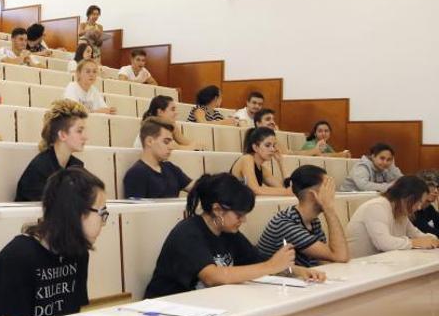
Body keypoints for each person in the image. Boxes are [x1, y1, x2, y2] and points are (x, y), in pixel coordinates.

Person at [144, 173, 325, 298]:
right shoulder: (188, 233)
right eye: (239, 215)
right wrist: (271, 265)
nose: (243, 220)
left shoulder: (228, 231)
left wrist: (297, 271)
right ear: (217, 210)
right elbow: (213, 277)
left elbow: (257, 262)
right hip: (168, 308)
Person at [0, 167, 106, 316]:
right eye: (102, 213)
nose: (104, 222)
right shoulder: (18, 257)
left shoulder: (78, 252)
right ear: (76, 212)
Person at [257, 166, 350, 267]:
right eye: (327, 188)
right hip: (279, 280)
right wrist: (329, 209)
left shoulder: (313, 221)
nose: (332, 194)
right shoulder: (286, 223)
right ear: (313, 195)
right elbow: (340, 256)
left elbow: (324, 259)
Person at [346, 176, 439, 257]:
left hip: (379, 264)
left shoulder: (401, 211)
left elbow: (416, 234)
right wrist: (414, 242)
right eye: (418, 202)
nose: (419, 208)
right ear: (407, 197)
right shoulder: (376, 207)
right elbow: (384, 243)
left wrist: (432, 239)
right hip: (359, 267)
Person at [15, 100, 88, 202]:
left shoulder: (77, 166)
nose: (86, 137)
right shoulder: (39, 169)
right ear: (62, 135)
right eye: (79, 131)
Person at [123, 118, 193, 199]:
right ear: (149, 141)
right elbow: (136, 210)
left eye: (171, 142)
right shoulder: (136, 174)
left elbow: (199, 188)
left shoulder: (170, 167)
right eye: (166, 142)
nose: (171, 147)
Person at [230, 127, 292, 196]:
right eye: (267, 145)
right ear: (255, 147)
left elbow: (283, 188)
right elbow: (255, 189)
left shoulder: (262, 169)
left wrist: (281, 162)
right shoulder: (247, 159)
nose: (272, 149)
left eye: (274, 145)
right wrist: (287, 191)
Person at [132, 96, 203, 150]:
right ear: (160, 112)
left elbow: (186, 142)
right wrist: (194, 147)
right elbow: (175, 147)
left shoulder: (171, 125)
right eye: (172, 109)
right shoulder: (153, 127)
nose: (176, 113)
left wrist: (197, 146)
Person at [412, 170, 439, 237]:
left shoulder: (429, 208)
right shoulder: (414, 209)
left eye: (437, 187)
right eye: (431, 187)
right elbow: (425, 230)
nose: (436, 191)